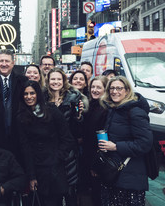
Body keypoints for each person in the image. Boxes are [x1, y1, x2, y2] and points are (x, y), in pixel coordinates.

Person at [18, 81, 75, 206]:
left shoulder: (52, 112)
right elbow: (25, 147)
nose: (29, 97)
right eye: (25, 94)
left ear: (38, 94)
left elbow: (68, 139)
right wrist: (32, 176)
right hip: (36, 168)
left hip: (54, 168)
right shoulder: (21, 116)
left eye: (32, 93)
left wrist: (57, 157)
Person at [98, 76, 153, 206]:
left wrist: (116, 146)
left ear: (127, 91)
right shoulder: (113, 109)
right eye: (112, 88)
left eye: (119, 88)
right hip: (115, 173)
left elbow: (145, 144)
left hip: (130, 177)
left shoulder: (135, 112)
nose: (114, 91)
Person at [44, 67, 88, 206]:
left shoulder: (73, 98)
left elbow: (78, 128)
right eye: (53, 79)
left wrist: (79, 116)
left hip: (68, 149)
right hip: (49, 149)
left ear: (64, 81)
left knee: (70, 188)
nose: (56, 82)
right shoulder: (42, 98)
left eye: (59, 79)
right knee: (53, 188)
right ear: (48, 81)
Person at [80, 76, 108, 205]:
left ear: (105, 90)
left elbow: (102, 140)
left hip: (96, 160)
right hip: (86, 155)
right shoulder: (91, 105)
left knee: (97, 194)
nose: (95, 90)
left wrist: (95, 166)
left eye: (99, 87)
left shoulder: (105, 109)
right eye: (93, 87)